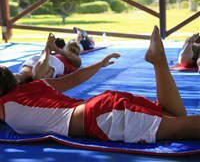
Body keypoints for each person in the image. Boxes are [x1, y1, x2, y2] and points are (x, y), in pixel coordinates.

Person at [0, 26, 199, 143]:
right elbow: (75, 79)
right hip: (102, 108)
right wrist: (100, 64)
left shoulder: (4, 107)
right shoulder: (35, 85)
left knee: (180, 127)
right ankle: (160, 64)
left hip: (102, 117)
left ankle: (159, 62)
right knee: (176, 116)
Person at [14, 33, 82, 84]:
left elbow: (71, 57)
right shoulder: (58, 53)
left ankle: (46, 51)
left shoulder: (75, 60)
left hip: (50, 61)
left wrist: (54, 48)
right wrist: (53, 49)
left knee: (38, 77)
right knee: (24, 75)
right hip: (43, 59)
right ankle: (6, 80)